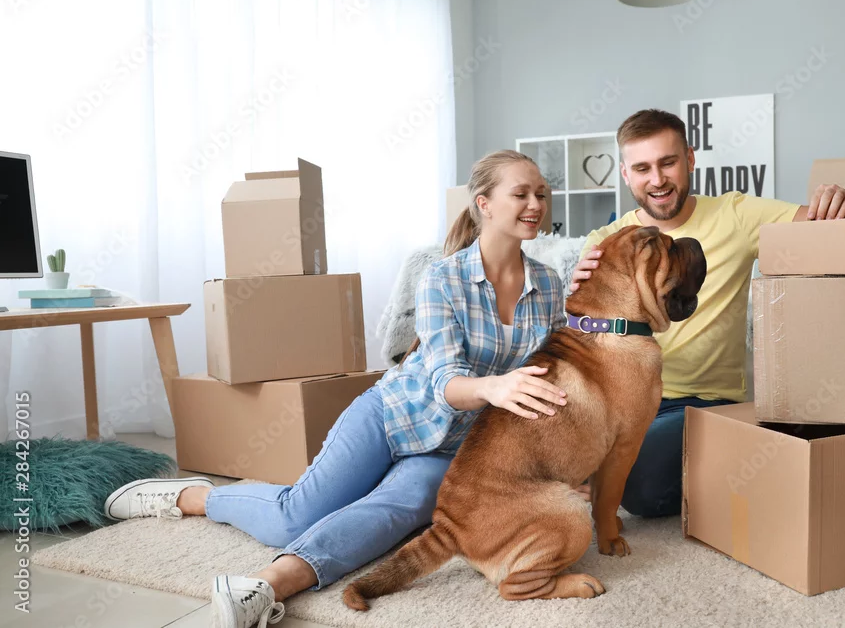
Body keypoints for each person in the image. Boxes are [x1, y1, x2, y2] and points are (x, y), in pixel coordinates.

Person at [103, 150, 569, 628]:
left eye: (541, 194)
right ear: (484, 203)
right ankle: (194, 498)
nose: (536, 204)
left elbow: (570, 356)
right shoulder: (442, 278)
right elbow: (445, 381)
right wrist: (496, 388)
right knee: (294, 517)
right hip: (392, 415)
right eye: (521, 194)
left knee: (398, 510)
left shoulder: (550, 285)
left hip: (456, 447)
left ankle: (265, 587)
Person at [571, 109, 845, 519]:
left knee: (640, 485)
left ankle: (742, 455)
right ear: (626, 174)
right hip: (620, 403)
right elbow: (583, 343)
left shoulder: (736, 214)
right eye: (642, 168)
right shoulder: (606, 240)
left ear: (690, 159)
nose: (657, 179)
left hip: (698, 404)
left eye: (667, 162)